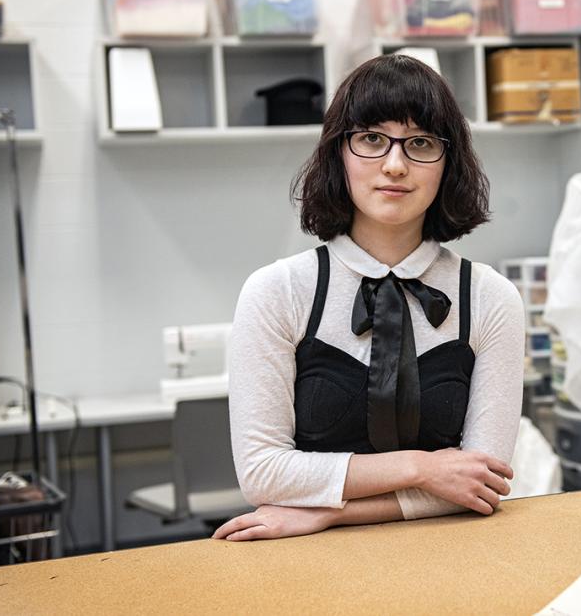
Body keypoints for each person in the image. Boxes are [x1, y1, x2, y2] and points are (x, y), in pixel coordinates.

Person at [213, 55, 525, 542]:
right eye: (372, 140)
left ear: (449, 163)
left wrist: (331, 511)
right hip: (306, 567)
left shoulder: (489, 298)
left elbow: (482, 483)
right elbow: (262, 473)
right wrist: (421, 469)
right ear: (339, 152)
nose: (395, 165)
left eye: (421, 143)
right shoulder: (278, 291)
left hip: (457, 558)